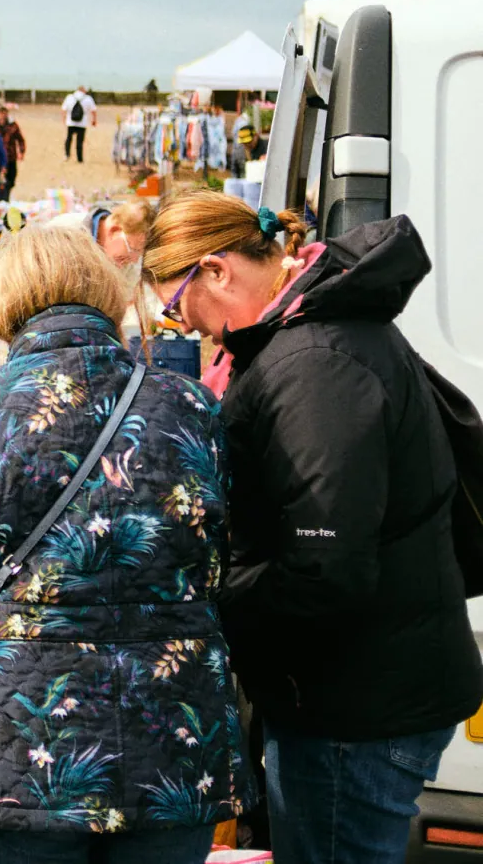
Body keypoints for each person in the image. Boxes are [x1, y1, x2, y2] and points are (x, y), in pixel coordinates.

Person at [0, 225, 250, 864]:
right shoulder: (194, 407)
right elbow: (221, 565)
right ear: (107, 295)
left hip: (13, 749)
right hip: (173, 741)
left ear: (2, 303)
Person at [141, 192, 483, 862]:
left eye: (177, 306)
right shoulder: (311, 333)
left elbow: (326, 562)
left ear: (216, 270)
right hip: (363, 680)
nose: (187, 326)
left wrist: (213, 606)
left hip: (356, 704)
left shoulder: (312, 364)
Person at [49, 197, 154, 269]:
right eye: (133, 248)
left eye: (140, 253)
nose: (134, 260)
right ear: (114, 231)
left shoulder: (127, 263)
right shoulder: (62, 233)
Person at [0, 103, 25, 201]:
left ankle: (6, 197)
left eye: (4, 112)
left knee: (11, 179)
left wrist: (21, 152)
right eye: (0, 112)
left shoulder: (13, 125)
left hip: (10, 157)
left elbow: (20, 139)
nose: (2, 114)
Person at [61, 84, 97, 162]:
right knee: (79, 141)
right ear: (84, 90)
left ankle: (67, 155)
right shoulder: (88, 98)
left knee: (68, 139)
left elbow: (64, 109)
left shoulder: (69, 97)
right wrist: (94, 120)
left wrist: (64, 119)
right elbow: (93, 110)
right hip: (82, 123)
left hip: (70, 122)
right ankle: (79, 158)